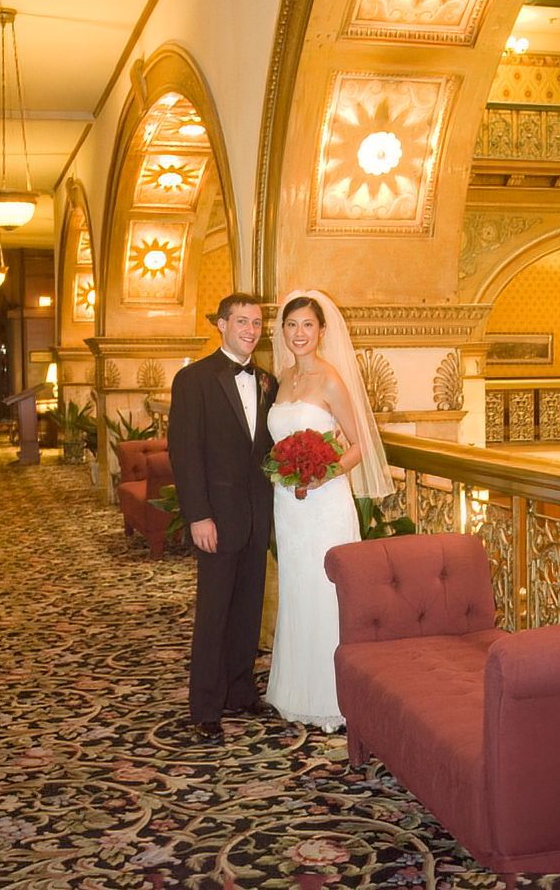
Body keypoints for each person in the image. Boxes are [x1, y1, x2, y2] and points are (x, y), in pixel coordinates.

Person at [265, 289, 393, 732]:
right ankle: (293, 690)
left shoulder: (331, 378)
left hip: (324, 501)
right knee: (297, 590)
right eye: (291, 325)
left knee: (326, 591)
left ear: (321, 331)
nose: (299, 333)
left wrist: (325, 473)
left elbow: (360, 444)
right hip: (289, 502)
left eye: (307, 325)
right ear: (282, 331)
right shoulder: (281, 378)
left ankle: (333, 696)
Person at [168, 293, 278, 743]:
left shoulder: (268, 380)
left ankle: (239, 689)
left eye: (256, 322)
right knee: (214, 612)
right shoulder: (193, 379)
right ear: (221, 324)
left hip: (258, 512)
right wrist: (198, 515)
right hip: (215, 515)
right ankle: (206, 705)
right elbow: (185, 453)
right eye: (241, 321)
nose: (251, 330)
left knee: (249, 607)